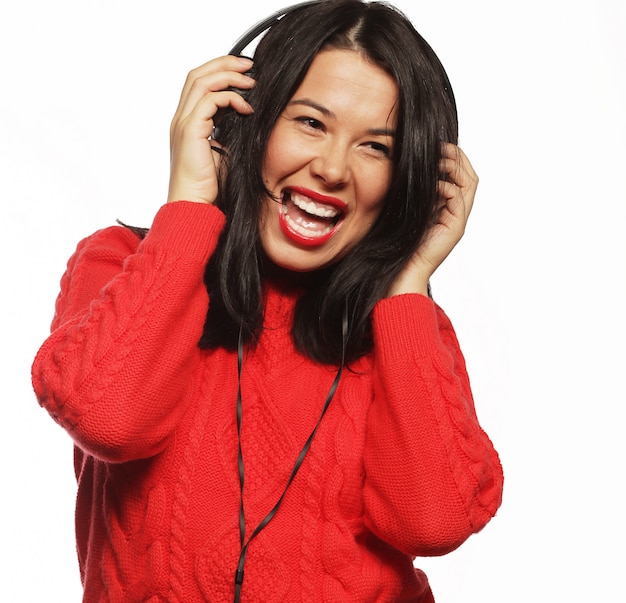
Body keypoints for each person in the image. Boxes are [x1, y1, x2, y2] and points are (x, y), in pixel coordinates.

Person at [31, 1, 503, 601]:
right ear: (247, 121)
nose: (332, 168)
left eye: (376, 148)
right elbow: (109, 420)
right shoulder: (122, 264)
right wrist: (190, 207)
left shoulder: (404, 329)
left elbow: (432, 522)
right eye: (310, 122)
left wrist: (408, 281)